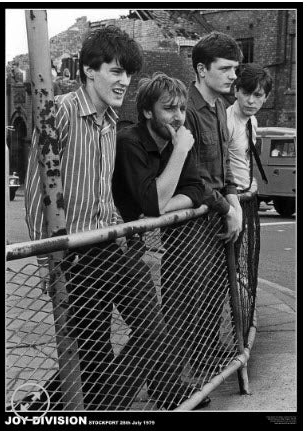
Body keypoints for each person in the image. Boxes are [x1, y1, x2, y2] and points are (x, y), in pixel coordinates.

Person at [25, 26, 190, 412]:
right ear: (88, 69)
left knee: (151, 329)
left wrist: (121, 230)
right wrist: (48, 263)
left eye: (128, 73)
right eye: (116, 71)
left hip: (112, 246)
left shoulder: (112, 122)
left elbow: (102, 190)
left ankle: (101, 408)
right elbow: (35, 193)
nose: (124, 81)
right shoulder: (59, 112)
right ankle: (69, 408)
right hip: (74, 255)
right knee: (92, 356)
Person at [113, 72, 243, 406]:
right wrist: (181, 153)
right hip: (108, 245)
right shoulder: (131, 141)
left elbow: (196, 187)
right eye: (169, 108)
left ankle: (165, 392)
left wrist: (218, 207)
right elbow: (153, 201)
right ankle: (89, 403)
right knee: (141, 330)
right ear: (147, 112)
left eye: (182, 108)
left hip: (132, 246)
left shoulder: (175, 140)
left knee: (152, 327)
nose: (179, 116)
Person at [184, 31, 243, 368]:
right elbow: (192, 179)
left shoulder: (219, 106)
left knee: (215, 289)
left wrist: (233, 204)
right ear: (202, 70)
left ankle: (206, 354)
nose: (233, 76)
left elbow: (224, 170)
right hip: (194, 222)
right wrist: (227, 207)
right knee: (192, 292)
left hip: (219, 215)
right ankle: (189, 368)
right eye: (226, 69)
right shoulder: (187, 110)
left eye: (235, 68)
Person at [227, 63, 272, 191]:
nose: (251, 101)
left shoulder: (252, 121)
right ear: (236, 91)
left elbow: (244, 158)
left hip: (246, 193)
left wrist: (251, 183)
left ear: (266, 97)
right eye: (246, 93)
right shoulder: (226, 122)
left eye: (257, 95)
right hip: (230, 196)